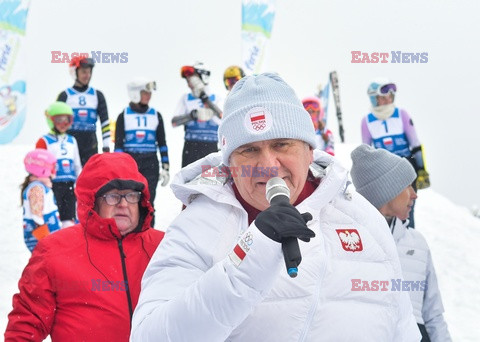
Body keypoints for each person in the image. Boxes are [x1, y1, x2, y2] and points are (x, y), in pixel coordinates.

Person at [131, 73, 420, 341]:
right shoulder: (198, 225)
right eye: (249, 149)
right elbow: (150, 334)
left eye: (282, 145)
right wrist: (247, 261)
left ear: (309, 151)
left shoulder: (361, 219)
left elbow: (403, 329)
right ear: (229, 162)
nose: (268, 165)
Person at [5, 153, 164, 341]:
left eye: (131, 195)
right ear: (92, 201)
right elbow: (25, 328)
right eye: (112, 196)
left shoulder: (164, 247)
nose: (123, 204)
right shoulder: (54, 251)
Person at [350, 144, 452, 342]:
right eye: (408, 187)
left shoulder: (417, 242)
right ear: (388, 190)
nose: (415, 194)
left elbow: (434, 315)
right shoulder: (351, 242)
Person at [361, 78, 430, 227]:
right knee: (385, 211)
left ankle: (409, 241)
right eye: (383, 97)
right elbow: (366, 151)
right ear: (375, 99)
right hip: (384, 173)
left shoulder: (401, 114)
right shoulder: (367, 121)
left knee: (407, 211)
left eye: (389, 96)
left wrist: (422, 169)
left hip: (406, 169)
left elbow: (415, 144)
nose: (387, 100)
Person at [114, 78, 170, 225]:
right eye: (145, 92)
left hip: (150, 163)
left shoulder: (156, 115)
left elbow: (162, 143)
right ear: (135, 94)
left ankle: (148, 232)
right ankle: (131, 232)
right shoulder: (124, 116)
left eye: (150, 92)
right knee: (131, 200)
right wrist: (118, 168)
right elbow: (118, 145)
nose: (149, 95)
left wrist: (166, 166)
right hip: (131, 163)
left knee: (148, 201)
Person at [57, 56, 110, 166]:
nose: (87, 76)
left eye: (89, 72)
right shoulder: (65, 95)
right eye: (84, 72)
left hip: (90, 143)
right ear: (74, 72)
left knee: (90, 176)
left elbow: (104, 121)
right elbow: (56, 121)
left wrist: (106, 145)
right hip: (70, 142)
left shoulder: (97, 95)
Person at [36, 101, 82, 228]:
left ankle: (68, 241)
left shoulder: (72, 140)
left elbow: (77, 165)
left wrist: (81, 183)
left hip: (69, 186)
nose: (63, 124)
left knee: (69, 217)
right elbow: (38, 167)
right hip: (52, 186)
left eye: (67, 120)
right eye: (59, 120)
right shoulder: (44, 141)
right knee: (54, 216)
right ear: (51, 120)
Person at [174, 62, 223, 167]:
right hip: (190, 147)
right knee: (188, 181)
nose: (189, 84)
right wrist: (192, 116)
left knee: (210, 181)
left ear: (203, 77)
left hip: (210, 146)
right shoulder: (186, 98)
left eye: (191, 80)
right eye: (187, 81)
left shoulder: (216, 98)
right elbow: (174, 122)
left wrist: (204, 98)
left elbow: (223, 117)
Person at [20, 149, 61, 252]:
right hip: (41, 239)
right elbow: (36, 215)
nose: (54, 170)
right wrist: (45, 240)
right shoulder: (37, 188)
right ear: (41, 169)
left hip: (46, 238)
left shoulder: (40, 186)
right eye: (52, 167)